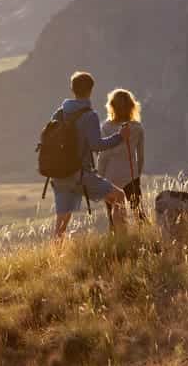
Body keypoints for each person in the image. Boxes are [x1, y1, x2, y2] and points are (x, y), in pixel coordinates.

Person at [50, 71, 128, 241]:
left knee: (60, 227)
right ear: (91, 90)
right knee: (119, 197)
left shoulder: (59, 113)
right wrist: (120, 137)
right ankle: (123, 243)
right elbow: (96, 146)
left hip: (59, 175)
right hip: (80, 174)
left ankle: (55, 261)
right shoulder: (89, 116)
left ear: (72, 89)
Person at [98, 88, 146, 229]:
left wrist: (99, 178)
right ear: (132, 106)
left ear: (111, 106)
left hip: (110, 178)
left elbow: (103, 156)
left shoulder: (105, 128)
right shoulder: (137, 128)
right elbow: (141, 157)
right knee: (139, 215)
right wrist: (137, 176)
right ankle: (148, 242)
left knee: (113, 219)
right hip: (131, 176)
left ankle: (118, 246)